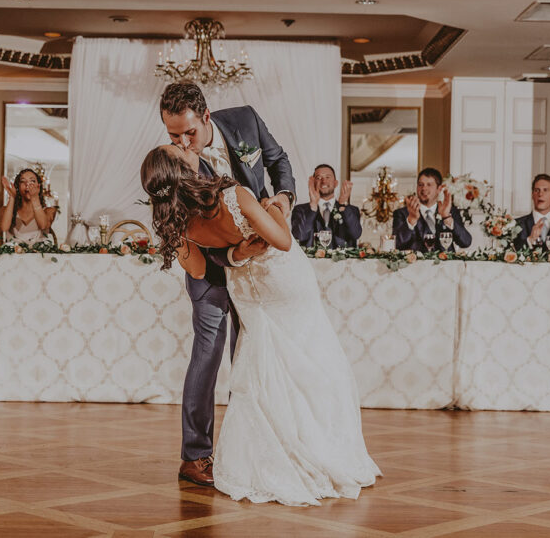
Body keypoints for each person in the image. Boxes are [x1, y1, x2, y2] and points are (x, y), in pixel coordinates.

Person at [142, 145, 380, 506]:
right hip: (282, 280)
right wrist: (271, 208)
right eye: (179, 149)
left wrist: (237, 254)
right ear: (183, 169)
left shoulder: (175, 221)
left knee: (262, 365)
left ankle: (264, 455)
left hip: (244, 287)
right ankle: (319, 445)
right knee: (311, 355)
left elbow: (200, 270)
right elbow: (282, 241)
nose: (188, 148)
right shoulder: (230, 195)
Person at [159, 82, 296, 488]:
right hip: (211, 272)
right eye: (173, 136)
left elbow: (278, 160)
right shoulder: (176, 165)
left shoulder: (245, 119)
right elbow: (192, 237)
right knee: (208, 356)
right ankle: (195, 456)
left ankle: (243, 444)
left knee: (251, 353)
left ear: (206, 116)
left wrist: (284, 197)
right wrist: (236, 256)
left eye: (189, 133)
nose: (185, 144)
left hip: (260, 262)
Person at [392, 167, 471, 252]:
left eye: (429, 185)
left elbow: (466, 242)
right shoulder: (401, 213)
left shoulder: (451, 212)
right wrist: (411, 220)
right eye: (420, 184)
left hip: (446, 264)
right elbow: (396, 244)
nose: (424, 188)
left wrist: (446, 218)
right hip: (415, 264)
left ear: (439, 189)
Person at [291, 164, 362, 248]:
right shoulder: (300, 210)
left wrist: (343, 206)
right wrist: (313, 205)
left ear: (335, 183)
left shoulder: (352, 210)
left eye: (328, 177)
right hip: (310, 261)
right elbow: (299, 237)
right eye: (319, 178)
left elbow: (356, 234)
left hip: (342, 261)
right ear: (313, 183)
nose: (323, 181)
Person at [513, 174, 550, 252]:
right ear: (532, 195)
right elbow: (509, 254)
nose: (540, 194)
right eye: (537, 190)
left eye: (545, 190)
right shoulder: (517, 223)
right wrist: (530, 240)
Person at [0, 169, 56, 244]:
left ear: (38, 186)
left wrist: (35, 198)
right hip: (14, 255)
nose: (27, 184)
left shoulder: (49, 211)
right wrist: (12, 197)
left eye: (32, 181)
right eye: (23, 181)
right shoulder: (5, 210)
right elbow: (4, 228)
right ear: (18, 187)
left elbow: (43, 225)